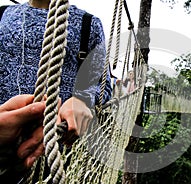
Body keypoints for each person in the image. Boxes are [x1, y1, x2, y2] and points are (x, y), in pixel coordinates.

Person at [0, 0, 112, 138]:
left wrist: (81, 99)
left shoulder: (89, 24)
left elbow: (103, 84)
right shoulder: (2, 15)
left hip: (58, 138)